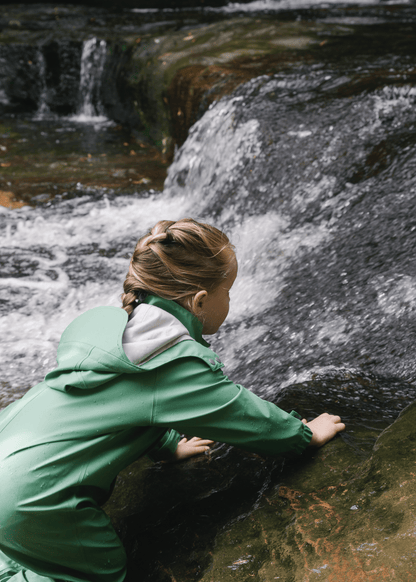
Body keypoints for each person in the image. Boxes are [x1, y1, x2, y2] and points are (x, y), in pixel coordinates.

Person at [0, 218, 345, 582]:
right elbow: (243, 413)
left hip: (8, 452)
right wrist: (304, 435)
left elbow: (124, 406)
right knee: (99, 571)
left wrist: (167, 446)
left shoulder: (115, 337)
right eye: (227, 291)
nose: (230, 300)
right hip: (35, 500)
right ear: (199, 302)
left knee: (24, 547)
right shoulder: (176, 362)